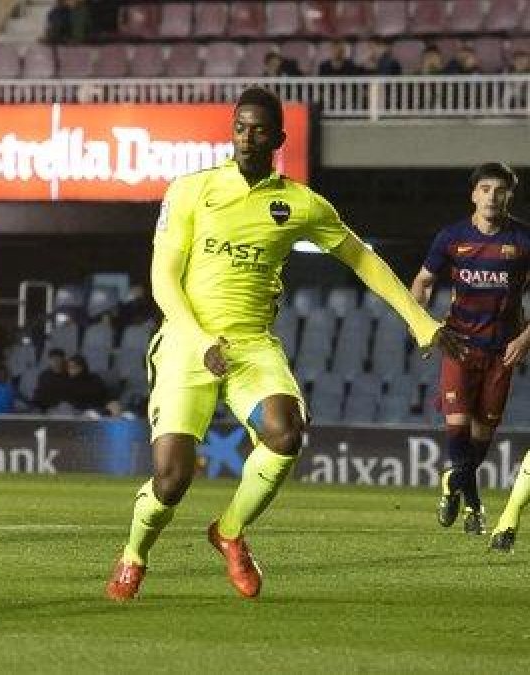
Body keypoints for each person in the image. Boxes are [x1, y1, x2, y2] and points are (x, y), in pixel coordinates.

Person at [105, 87, 464, 602]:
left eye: (259, 130)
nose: (248, 138)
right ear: (232, 131)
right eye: (240, 128)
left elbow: (362, 259)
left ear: (279, 138)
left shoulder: (299, 203)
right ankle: (134, 555)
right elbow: (163, 279)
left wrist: (421, 322)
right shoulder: (190, 189)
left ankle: (228, 531)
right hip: (187, 343)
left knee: (285, 432)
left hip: (251, 347)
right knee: (171, 480)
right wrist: (201, 338)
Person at [410, 163, 529, 538]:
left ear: (510, 195)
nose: (492, 196)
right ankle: (471, 501)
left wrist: (526, 338)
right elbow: (424, 281)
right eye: (485, 189)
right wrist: (422, 327)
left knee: (480, 439)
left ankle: (460, 489)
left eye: (500, 190)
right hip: (460, 345)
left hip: (502, 352)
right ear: (473, 194)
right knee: (458, 430)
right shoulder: (452, 237)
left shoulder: (524, 240)